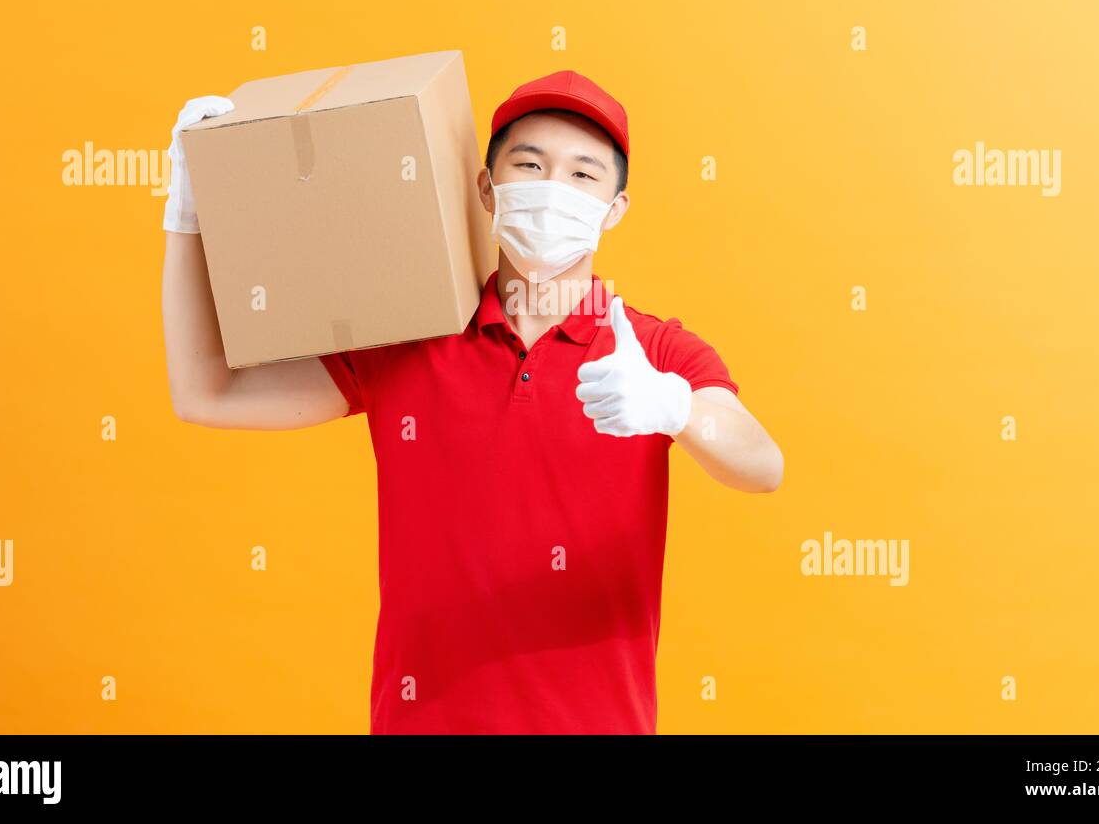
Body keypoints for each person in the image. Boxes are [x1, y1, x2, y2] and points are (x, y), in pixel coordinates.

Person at [161, 68, 784, 733]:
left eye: (582, 175)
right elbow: (208, 390)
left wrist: (675, 408)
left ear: (616, 207)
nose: (553, 189)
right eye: (530, 164)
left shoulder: (655, 354)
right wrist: (191, 213)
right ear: (487, 189)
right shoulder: (406, 340)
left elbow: (761, 462)